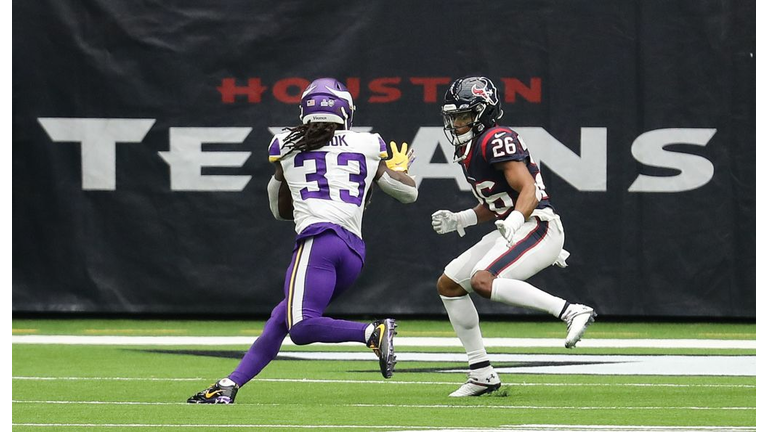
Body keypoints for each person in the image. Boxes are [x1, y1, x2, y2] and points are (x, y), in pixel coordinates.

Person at [188, 77, 418, 404]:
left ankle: (371, 332)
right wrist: (395, 169)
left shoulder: (286, 143)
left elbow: (280, 211)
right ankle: (229, 385)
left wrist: (283, 178)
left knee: (301, 327)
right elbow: (408, 193)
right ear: (346, 113)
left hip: (319, 243)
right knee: (282, 318)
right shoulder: (368, 144)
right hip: (352, 253)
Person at [430, 76, 596, 397]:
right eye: (453, 116)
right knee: (449, 285)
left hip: (537, 224)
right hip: (514, 225)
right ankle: (481, 373)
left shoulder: (496, 138)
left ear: (484, 113)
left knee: (482, 280)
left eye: (464, 115)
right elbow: (497, 203)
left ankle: (571, 310)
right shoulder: (471, 148)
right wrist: (461, 219)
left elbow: (528, 190)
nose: (456, 122)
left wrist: (517, 219)